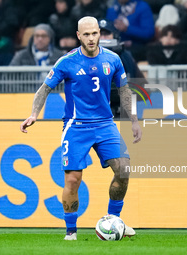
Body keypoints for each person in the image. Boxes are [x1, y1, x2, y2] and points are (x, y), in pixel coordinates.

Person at [20, 16, 142, 241]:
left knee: (123, 170)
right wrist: (34, 114)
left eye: (94, 33)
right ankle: (71, 232)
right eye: (86, 34)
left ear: (99, 33)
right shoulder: (66, 62)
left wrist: (134, 119)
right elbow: (44, 89)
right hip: (76, 126)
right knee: (73, 179)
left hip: (105, 124)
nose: (92, 38)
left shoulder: (113, 59)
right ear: (78, 36)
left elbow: (124, 90)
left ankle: (113, 221)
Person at [99, 19, 147, 117]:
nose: (103, 39)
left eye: (107, 34)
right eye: (99, 35)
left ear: (115, 37)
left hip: (122, 112)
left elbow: (144, 90)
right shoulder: (84, 58)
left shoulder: (126, 57)